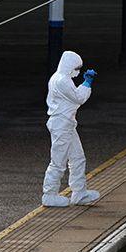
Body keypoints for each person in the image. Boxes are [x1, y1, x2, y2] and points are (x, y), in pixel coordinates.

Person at [42, 51, 100, 207]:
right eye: (77, 67)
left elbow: (73, 97)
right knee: (58, 161)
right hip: (62, 125)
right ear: (69, 66)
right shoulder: (62, 81)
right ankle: (49, 194)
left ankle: (79, 193)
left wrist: (84, 84)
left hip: (66, 124)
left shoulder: (60, 78)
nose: (78, 71)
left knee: (77, 158)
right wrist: (87, 83)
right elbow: (78, 98)